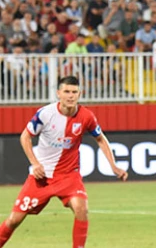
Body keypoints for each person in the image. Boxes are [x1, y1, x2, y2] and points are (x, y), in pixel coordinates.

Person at [0, 76, 128, 248]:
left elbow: (100, 139)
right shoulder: (45, 114)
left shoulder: (86, 116)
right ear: (58, 93)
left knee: (81, 209)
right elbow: (25, 137)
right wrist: (35, 163)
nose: (70, 96)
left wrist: (113, 166)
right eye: (67, 91)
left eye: (74, 92)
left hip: (69, 176)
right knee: (14, 220)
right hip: (42, 178)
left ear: (79, 94)